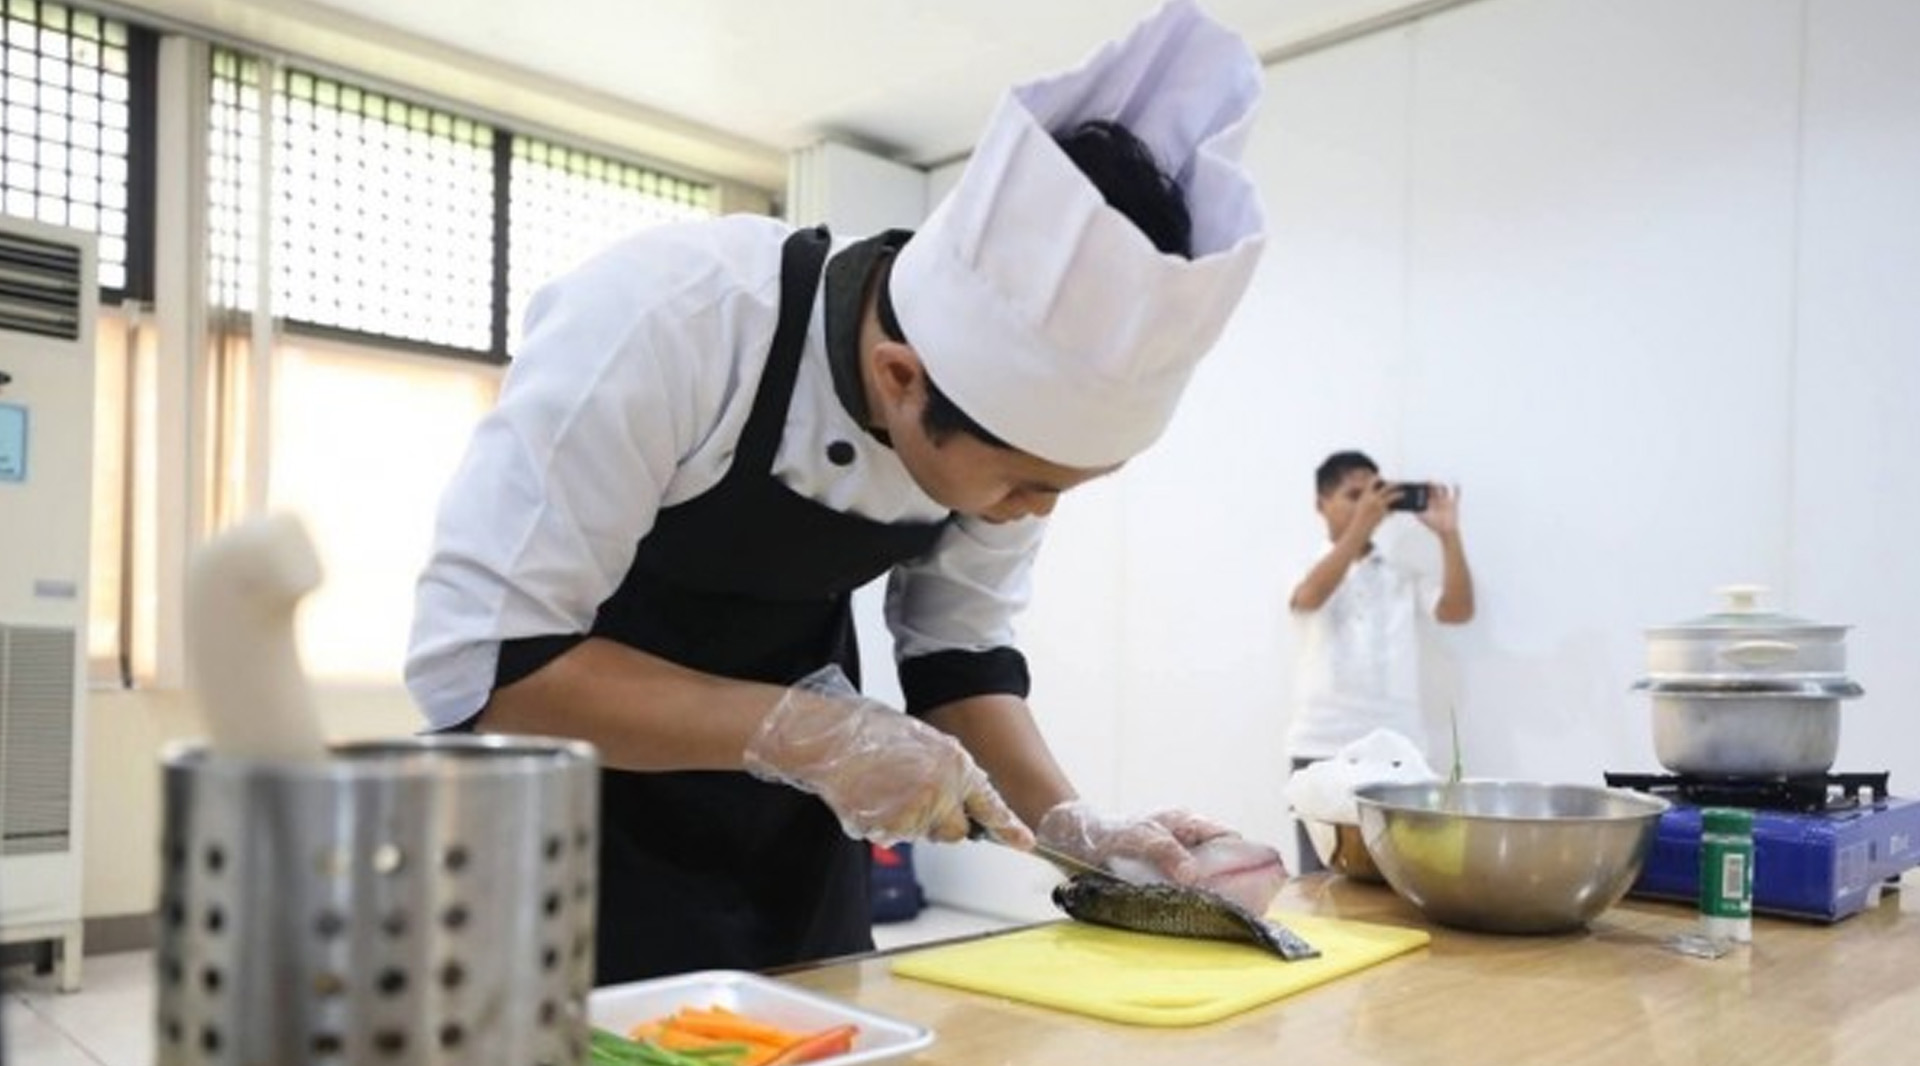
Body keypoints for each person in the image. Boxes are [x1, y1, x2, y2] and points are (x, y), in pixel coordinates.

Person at [406, 0, 1279, 985]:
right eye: (1028, 483)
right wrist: (810, 733)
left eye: (1069, 488)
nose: (1035, 511)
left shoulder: (990, 425)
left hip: (787, 849)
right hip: (558, 839)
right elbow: (490, 674)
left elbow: (959, 658)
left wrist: (1078, 832)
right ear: (902, 380)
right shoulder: (673, 323)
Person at [1285, 450, 1475, 870]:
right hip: (1321, 746)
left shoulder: (1400, 573)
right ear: (1321, 504)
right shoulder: (1305, 565)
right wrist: (1361, 527)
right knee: (1320, 885)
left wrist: (1448, 534)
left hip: (1400, 750)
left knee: (1407, 878)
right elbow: (1309, 598)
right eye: (1354, 496)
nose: (1367, 506)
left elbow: (1458, 611)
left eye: (1374, 495)